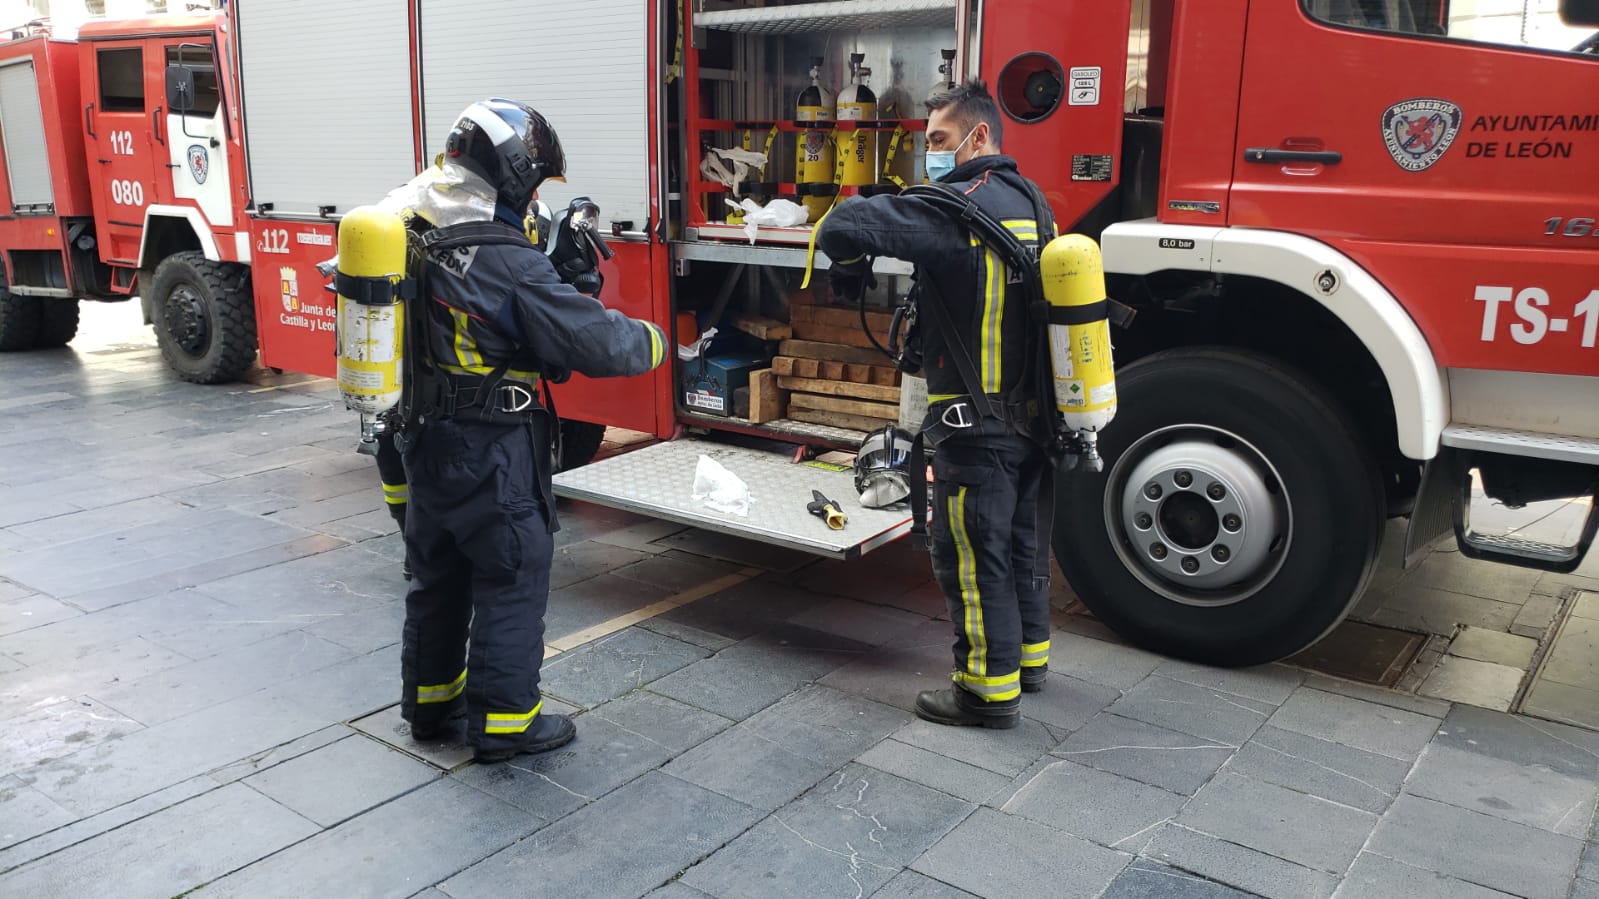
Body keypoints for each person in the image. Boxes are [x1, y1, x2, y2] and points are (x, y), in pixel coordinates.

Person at [395, 98, 666, 762]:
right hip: (491, 443)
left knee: (438, 572)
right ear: (514, 173)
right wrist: (656, 342)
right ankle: (508, 722)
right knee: (513, 566)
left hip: (424, 436)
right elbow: (593, 342)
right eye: (536, 182)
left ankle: (430, 705)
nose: (538, 196)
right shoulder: (504, 258)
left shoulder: (413, 228)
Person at [815, 79, 1056, 730]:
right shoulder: (1034, 202)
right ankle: (1027, 661)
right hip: (1035, 420)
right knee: (1022, 545)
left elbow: (844, 221)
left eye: (940, 141)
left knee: (973, 553)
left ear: (979, 137)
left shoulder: (955, 206)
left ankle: (983, 690)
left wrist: (847, 260)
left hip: (973, 427)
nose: (932, 156)